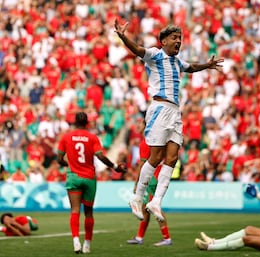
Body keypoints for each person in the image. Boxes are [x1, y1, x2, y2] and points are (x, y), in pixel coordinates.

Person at [114, 19, 224, 222]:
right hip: (160, 108)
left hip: (175, 112)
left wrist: (207, 65)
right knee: (155, 157)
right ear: (163, 41)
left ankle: (156, 201)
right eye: (174, 38)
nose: (178, 41)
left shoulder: (176, 62)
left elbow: (190, 67)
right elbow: (138, 50)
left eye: (180, 38)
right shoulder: (156, 55)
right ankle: (136, 197)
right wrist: (123, 37)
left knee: (172, 158)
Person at [57, 112, 125, 254]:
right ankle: (87, 244)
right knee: (88, 213)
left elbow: (59, 159)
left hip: (73, 177)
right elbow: (100, 156)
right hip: (88, 178)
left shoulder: (66, 137)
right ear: (87, 123)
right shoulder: (92, 137)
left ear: (74, 122)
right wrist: (114, 167)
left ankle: (76, 242)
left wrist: (68, 164)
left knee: (75, 210)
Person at [194, 180, 260, 254]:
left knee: (246, 239)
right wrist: (258, 195)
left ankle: (209, 247)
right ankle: (214, 241)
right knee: (249, 229)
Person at [127, 119, 172, 246]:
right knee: (145, 209)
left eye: (140, 124)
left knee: (154, 208)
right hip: (157, 176)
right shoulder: (156, 140)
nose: (137, 125)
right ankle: (139, 237)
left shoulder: (145, 142)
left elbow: (142, 165)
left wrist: (137, 184)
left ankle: (167, 238)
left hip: (151, 179)